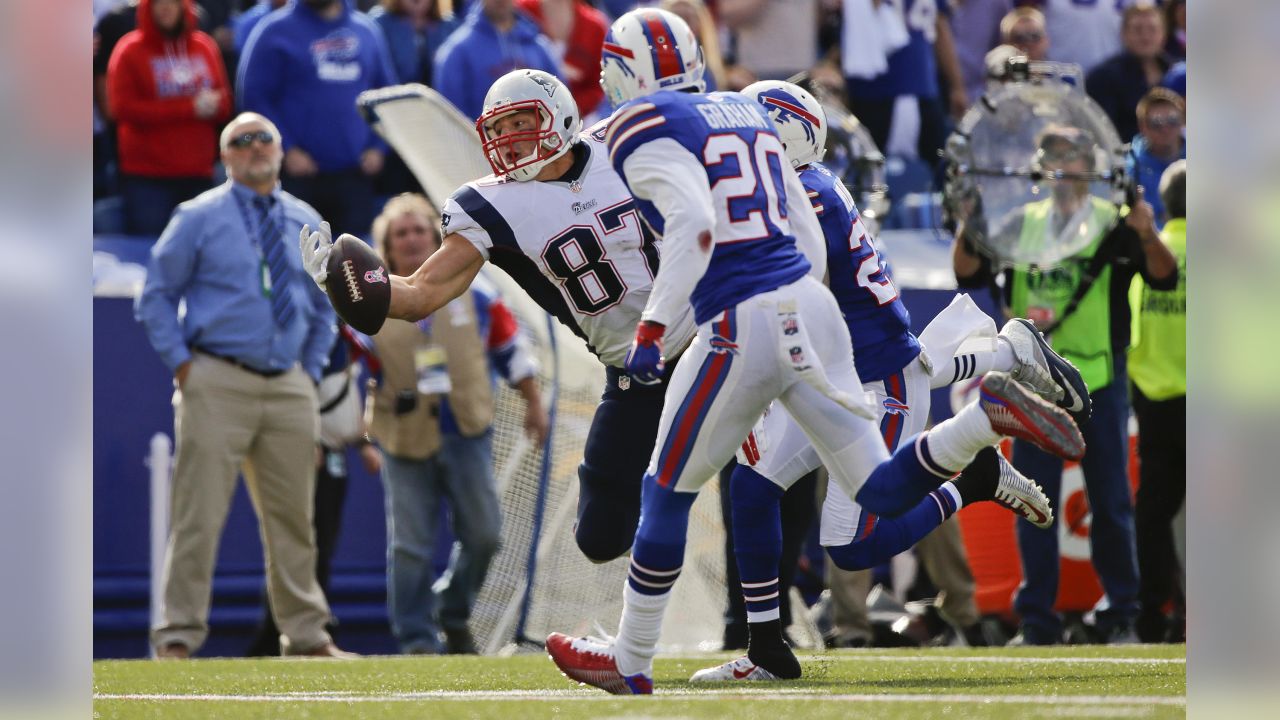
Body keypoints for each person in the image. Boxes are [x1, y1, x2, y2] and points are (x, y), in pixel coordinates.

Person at [544, 8, 1084, 694]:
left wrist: (654, 332)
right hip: (811, 314)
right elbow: (794, 228)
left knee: (668, 489)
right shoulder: (746, 123)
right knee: (826, 486)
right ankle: (978, 425)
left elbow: (694, 225)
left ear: (625, 72)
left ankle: (632, 658)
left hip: (753, 320)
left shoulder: (643, 122)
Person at [684, 79, 1086, 682]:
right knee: (752, 486)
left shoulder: (806, 198)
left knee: (852, 544)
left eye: (745, 132)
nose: (731, 148)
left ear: (780, 134)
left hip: (871, 383)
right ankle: (765, 649)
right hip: (836, 373)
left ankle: (972, 476)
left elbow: (784, 302)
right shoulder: (801, 188)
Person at [300, 69, 700, 565]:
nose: (509, 142)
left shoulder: (623, 144)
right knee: (600, 535)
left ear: (560, 114)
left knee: (760, 474)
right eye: (498, 130)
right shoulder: (491, 204)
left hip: (708, 336)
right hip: (633, 370)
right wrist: (345, 284)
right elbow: (420, 294)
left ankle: (755, 626)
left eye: (520, 123)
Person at [952, 124, 1178, 645]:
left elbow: (1164, 276)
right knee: (1031, 500)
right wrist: (970, 227)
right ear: (1041, 164)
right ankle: (1037, 617)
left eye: (1073, 156)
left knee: (1112, 502)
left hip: (1100, 379)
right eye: (1053, 155)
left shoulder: (1112, 223)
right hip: (1035, 382)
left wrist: (1146, 232)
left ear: (1089, 164)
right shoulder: (1020, 224)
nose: (1063, 166)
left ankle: (1123, 610)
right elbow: (967, 273)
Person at [136, 112, 351, 659]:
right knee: (198, 515)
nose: (255, 147)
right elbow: (156, 294)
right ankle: (179, 636)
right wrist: (184, 366)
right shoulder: (197, 216)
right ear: (224, 155)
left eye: (265, 139)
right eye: (241, 141)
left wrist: (309, 367)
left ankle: (305, 636)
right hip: (216, 378)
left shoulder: (305, 219)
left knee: (295, 520)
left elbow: (327, 304)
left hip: (288, 384)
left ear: (281, 151)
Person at [245, 323, 382, 656]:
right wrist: (310, 437)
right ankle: (278, 630)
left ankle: (308, 625)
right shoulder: (313, 333)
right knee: (300, 541)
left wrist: (364, 444)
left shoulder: (346, 334)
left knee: (322, 542)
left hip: (336, 452)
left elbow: (350, 393)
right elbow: (304, 386)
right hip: (311, 449)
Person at [237, 0, 399, 237]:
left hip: (355, 176)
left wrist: (378, 147)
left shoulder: (366, 30)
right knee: (300, 262)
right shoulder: (273, 30)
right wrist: (287, 149)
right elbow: (254, 96)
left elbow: (388, 96)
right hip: (298, 176)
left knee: (354, 266)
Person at [106, 0, 232, 235]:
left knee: (201, 254)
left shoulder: (204, 46)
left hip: (199, 173)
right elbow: (121, 108)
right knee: (147, 254)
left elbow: (225, 101)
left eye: (172, 3)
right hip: (148, 178)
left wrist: (215, 105)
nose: (165, 8)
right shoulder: (129, 49)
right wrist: (188, 108)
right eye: (158, 4)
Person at [1128, 160, 1186, 643]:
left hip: (1155, 400)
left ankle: (1152, 616)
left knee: (1153, 514)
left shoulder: (1151, 254)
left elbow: (1133, 330)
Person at [431, 0, 562, 121]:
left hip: (538, 144)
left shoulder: (539, 47)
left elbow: (560, 103)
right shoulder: (456, 53)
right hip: (478, 144)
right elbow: (451, 121)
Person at [1085, 3, 1172, 146]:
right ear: (1123, 34)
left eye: (1152, 29)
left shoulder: (1178, 73)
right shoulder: (1103, 77)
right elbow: (1101, 133)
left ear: (1164, 33)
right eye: (1137, 29)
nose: (1145, 36)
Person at [516, 0, 610, 119]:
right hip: (524, 113)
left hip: (578, 118)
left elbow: (599, 83)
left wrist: (571, 111)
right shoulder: (520, 12)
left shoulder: (595, 25)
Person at [1126, 87, 1185, 226]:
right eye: (1156, 123)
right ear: (1142, 127)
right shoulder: (1132, 171)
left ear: (1182, 120)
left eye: (1172, 120)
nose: (1165, 129)